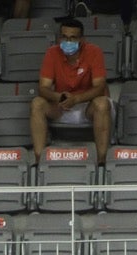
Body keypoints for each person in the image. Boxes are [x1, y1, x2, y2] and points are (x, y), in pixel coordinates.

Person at [30, 18, 111, 157]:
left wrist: (76, 99)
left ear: (82, 39)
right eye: (64, 37)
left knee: (103, 103)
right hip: (61, 104)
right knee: (37, 103)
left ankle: (102, 162)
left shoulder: (94, 52)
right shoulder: (52, 53)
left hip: (87, 105)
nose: (68, 42)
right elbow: (43, 88)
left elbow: (99, 87)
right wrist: (59, 97)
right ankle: (39, 161)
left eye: (73, 38)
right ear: (59, 38)